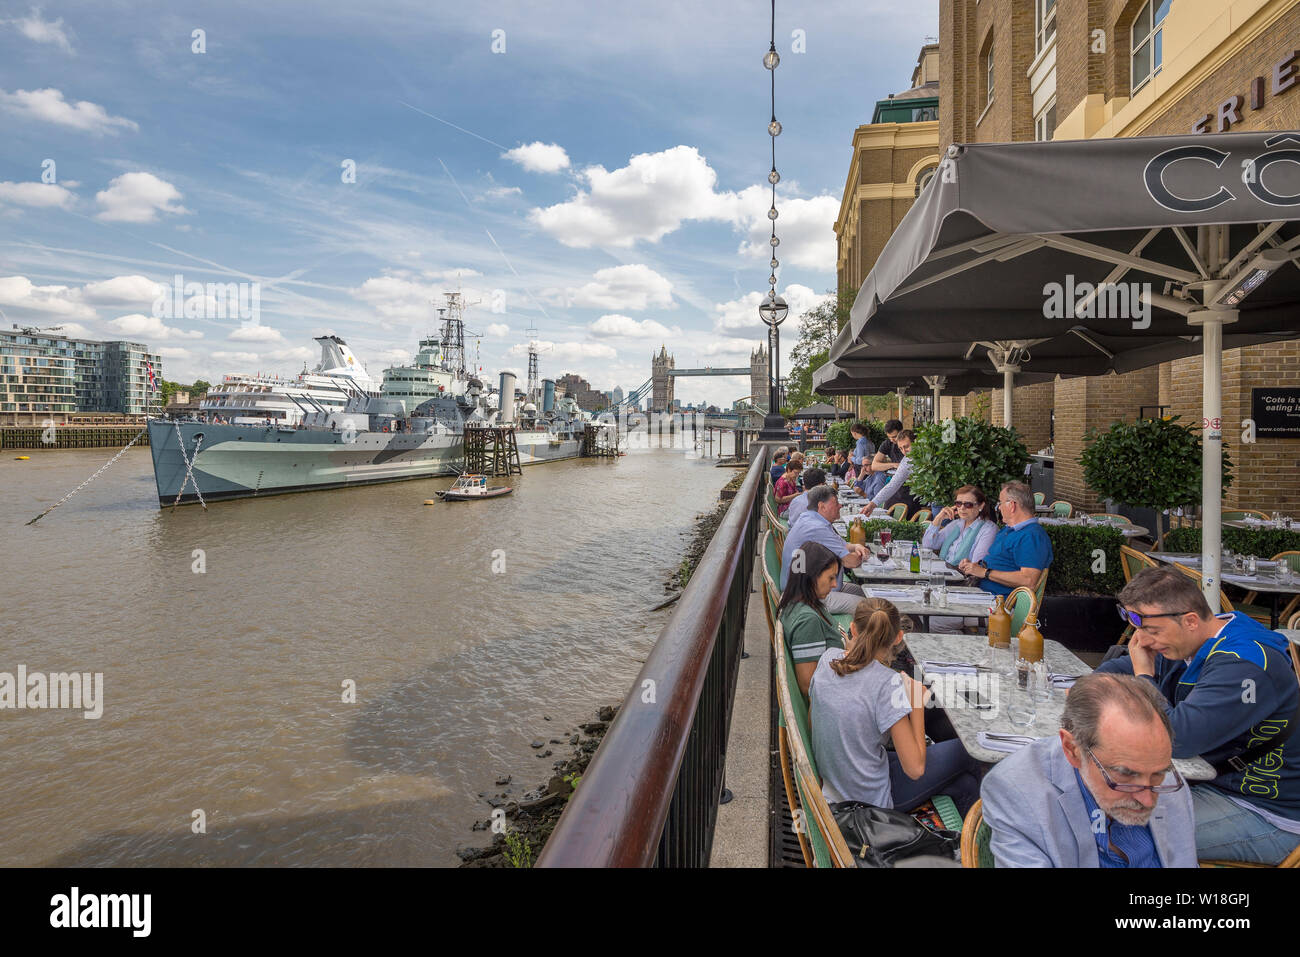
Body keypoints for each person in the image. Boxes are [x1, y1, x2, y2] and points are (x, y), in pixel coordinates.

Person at [1096, 566, 1300, 864]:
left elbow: (1175, 738)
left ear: (1190, 620)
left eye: (1151, 631)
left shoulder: (1245, 664)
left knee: (1112, 836)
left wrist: (1143, 677)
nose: (1143, 642)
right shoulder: (1191, 642)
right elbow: (1115, 672)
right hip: (1210, 782)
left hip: (1267, 812)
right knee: (1090, 806)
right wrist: (1092, 689)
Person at [980, 672, 1198, 868]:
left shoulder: (1164, 776)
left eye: (1158, 774)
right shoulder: (1016, 790)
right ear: (1073, 749)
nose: (1148, 800)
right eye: (1125, 774)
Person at [810, 598, 980, 815]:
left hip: (840, 780)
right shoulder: (888, 684)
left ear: (853, 628)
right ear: (899, 637)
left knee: (965, 785)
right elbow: (915, 769)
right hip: (871, 801)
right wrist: (917, 705)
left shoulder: (828, 658)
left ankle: (964, 844)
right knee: (969, 750)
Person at [781, 486, 869, 615]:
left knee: (865, 593)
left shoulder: (810, 519)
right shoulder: (816, 528)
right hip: (807, 596)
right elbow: (850, 562)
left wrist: (856, 547)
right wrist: (864, 555)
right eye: (836, 503)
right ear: (822, 506)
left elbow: (841, 545)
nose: (840, 506)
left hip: (814, 585)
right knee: (872, 606)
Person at [958, 481, 1052, 597]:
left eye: (1000, 503)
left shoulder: (1032, 535)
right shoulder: (1008, 530)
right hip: (980, 593)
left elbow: (1028, 581)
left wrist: (985, 573)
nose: (998, 508)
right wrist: (974, 567)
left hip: (998, 604)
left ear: (1012, 506)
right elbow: (998, 563)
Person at [777, 542, 846, 697]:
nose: (835, 584)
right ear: (812, 575)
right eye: (831, 578)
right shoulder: (807, 621)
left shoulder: (797, 603)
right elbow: (808, 685)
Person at [921, 485, 997, 564]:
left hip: (962, 575)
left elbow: (978, 563)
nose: (962, 508)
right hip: (943, 569)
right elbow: (928, 545)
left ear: (981, 506)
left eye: (968, 504)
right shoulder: (956, 524)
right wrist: (938, 519)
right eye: (958, 504)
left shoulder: (988, 529)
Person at [859, 430, 922, 519]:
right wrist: (872, 504)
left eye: (906, 446)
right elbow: (893, 485)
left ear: (915, 443)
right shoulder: (906, 461)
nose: (904, 451)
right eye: (900, 448)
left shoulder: (927, 454)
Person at [860, 418, 904, 498]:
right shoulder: (888, 443)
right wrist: (893, 465)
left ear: (901, 432)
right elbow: (874, 466)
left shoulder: (909, 444)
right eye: (889, 437)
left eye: (894, 437)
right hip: (895, 484)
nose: (892, 440)